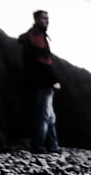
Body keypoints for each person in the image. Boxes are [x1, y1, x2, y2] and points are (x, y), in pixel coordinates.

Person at [18, 10, 61, 153]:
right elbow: (43, 61)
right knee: (43, 116)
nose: (47, 21)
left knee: (50, 116)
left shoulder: (37, 34)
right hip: (41, 82)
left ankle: (53, 146)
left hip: (40, 81)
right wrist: (53, 80)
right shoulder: (36, 35)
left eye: (48, 18)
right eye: (44, 18)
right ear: (36, 19)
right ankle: (38, 146)